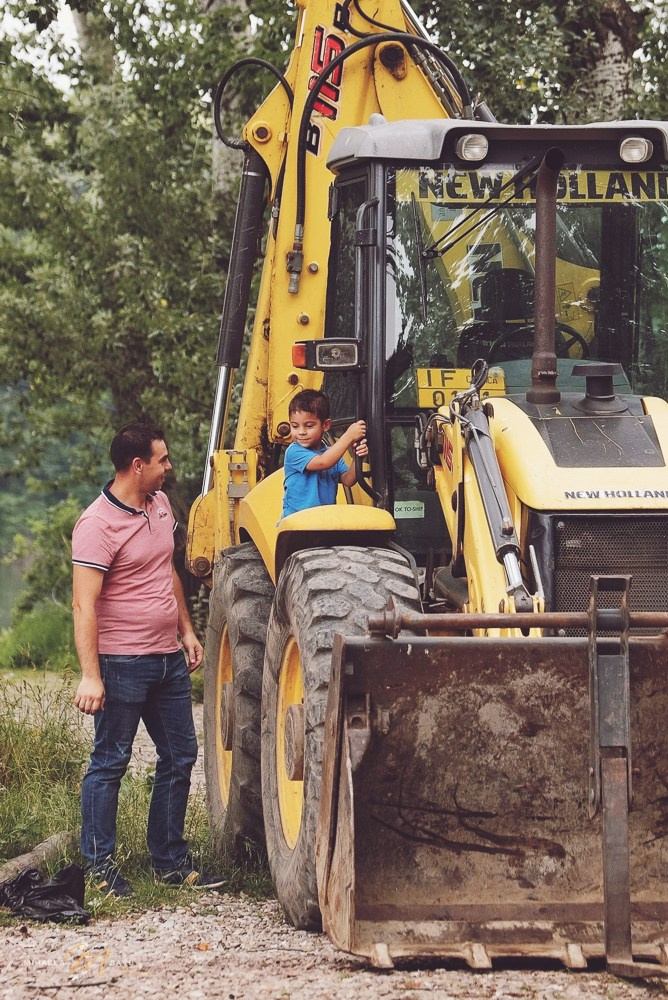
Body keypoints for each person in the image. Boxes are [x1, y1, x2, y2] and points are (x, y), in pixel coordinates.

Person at [71, 423, 219, 896]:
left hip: (167, 660)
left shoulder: (159, 505)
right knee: (110, 761)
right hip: (121, 663)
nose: (169, 467)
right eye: (163, 460)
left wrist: (187, 631)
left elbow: (167, 570)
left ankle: (170, 862)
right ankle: (99, 869)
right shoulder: (96, 526)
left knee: (180, 755)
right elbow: (83, 605)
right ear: (138, 466)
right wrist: (91, 676)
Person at [281, 389, 368, 519]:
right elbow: (323, 462)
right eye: (295, 426)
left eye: (309, 426)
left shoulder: (330, 453)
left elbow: (348, 480)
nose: (301, 432)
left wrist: (357, 458)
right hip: (297, 523)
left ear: (326, 425)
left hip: (324, 521)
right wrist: (349, 436)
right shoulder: (294, 451)